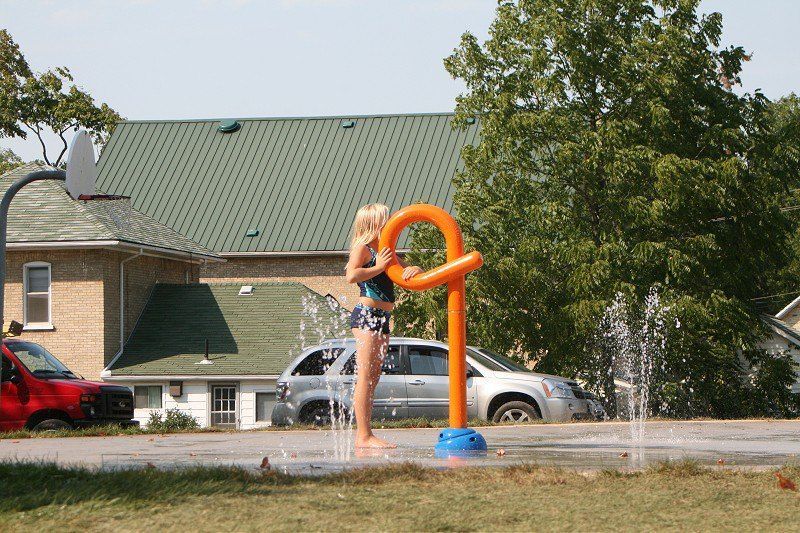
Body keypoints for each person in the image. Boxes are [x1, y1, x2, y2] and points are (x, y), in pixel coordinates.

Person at [345, 203, 422, 448]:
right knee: (365, 377)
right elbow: (351, 275)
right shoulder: (364, 248)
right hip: (366, 315)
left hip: (382, 318)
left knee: (373, 378)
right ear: (375, 224)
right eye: (386, 221)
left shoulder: (386, 251)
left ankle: (367, 434)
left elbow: (406, 271)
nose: (390, 225)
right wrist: (379, 267)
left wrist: (414, 269)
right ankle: (363, 436)